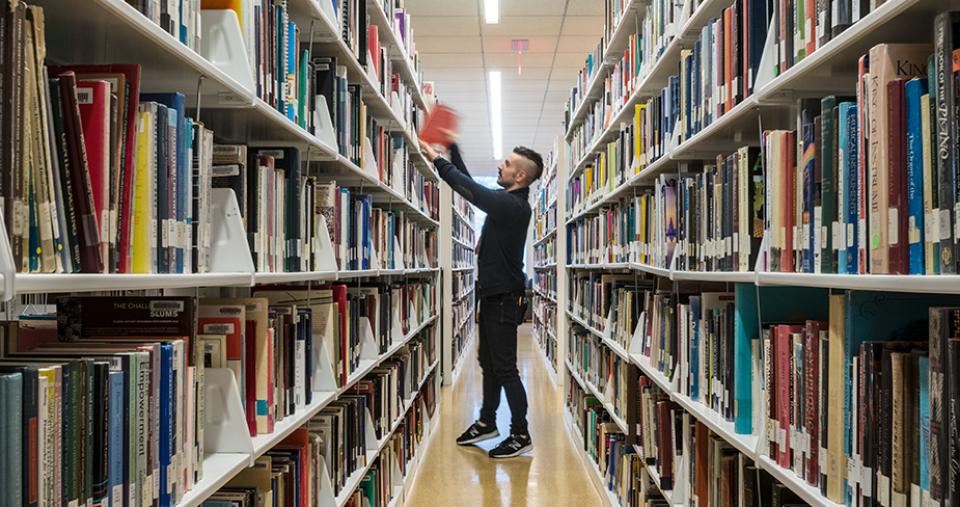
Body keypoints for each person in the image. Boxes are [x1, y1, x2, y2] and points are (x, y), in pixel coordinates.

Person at [420, 135, 543, 459]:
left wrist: (438, 159)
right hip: (491, 296)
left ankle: (520, 432)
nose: (500, 166)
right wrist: (454, 148)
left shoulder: (513, 206)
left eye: (507, 164)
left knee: (504, 368)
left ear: (520, 176)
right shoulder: (507, 202)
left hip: (503, 298)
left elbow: (471, 191)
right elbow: (471, 187)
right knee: (487, 362)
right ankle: (487, 421)